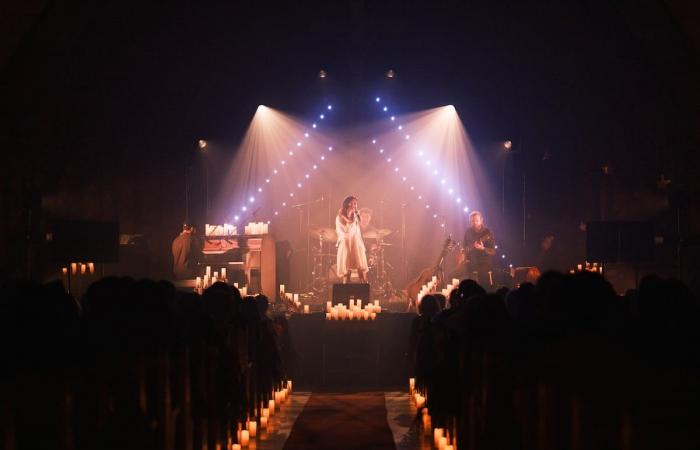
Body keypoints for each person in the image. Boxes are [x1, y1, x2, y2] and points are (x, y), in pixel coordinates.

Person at [335, 196, 368, 283]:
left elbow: (357, 232)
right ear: (348, 204)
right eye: (354, 203)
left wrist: (360, 244)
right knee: (347, 269)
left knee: (360, 268)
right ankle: (345, 290)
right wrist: (349, 218)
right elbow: (342, 231)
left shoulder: (355, 216)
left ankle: (363, 286)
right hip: (346, 243)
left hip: (355, 243)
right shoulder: (340, 217)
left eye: (356, 204)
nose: (355, 205)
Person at [462, 211, 496, 287]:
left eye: (476, 221)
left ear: (481, 220)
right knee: (455, 274)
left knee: (481, 276)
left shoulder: (487, 232)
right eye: (472, 221)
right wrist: (465, 254)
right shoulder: (468, 232)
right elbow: (464, 247)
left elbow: (493, 251)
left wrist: (483, 248)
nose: (474, 223)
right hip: (471, 261)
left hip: (484, 262)